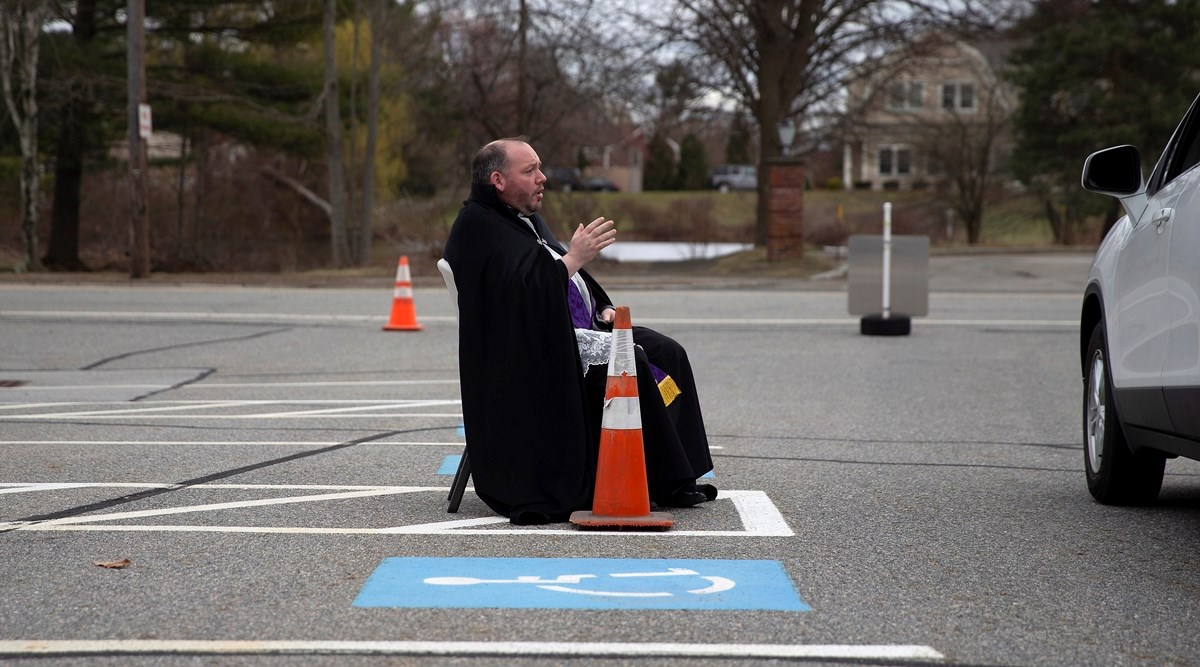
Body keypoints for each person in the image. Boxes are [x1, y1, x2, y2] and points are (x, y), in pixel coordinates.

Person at [443, 137, 715, 525]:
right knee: (629, 358)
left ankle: (674, 477)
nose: (542, 178)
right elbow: (520, 297)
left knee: (667, 352)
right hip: (526, 351)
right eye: (530, 171)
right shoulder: (476, 228)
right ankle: (647, 476)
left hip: (574, 328)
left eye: (540, 168)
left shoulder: (523, 217)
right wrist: (575, 256)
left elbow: (564, 272)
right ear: (498, 180)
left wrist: (601, 303)